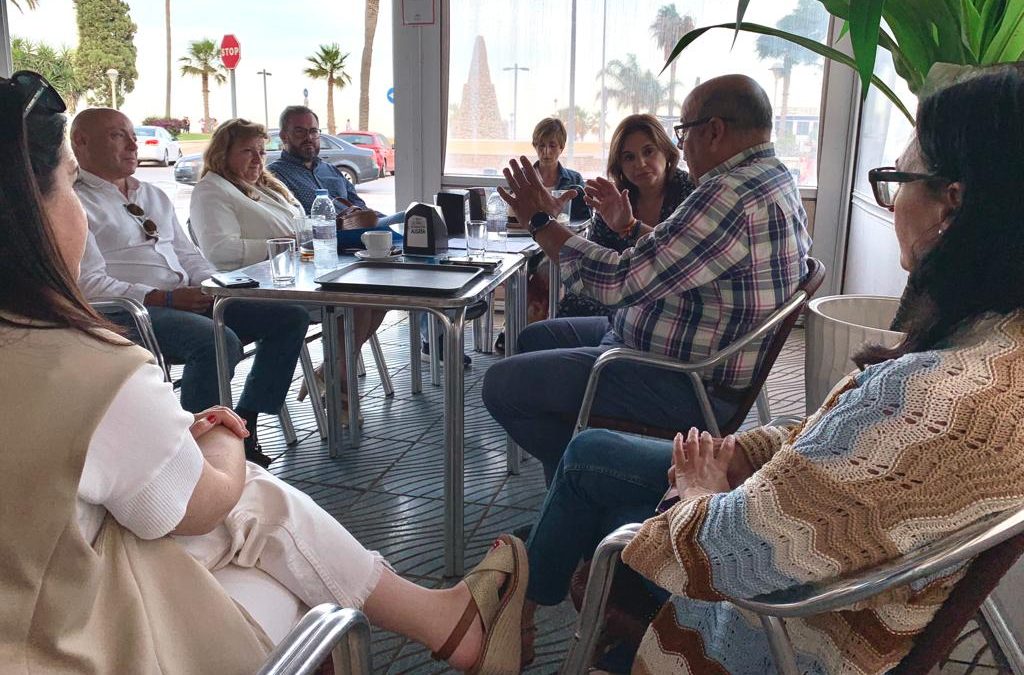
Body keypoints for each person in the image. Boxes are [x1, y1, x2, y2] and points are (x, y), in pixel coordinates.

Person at [1, 70, 528, 675]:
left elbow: (199, 256)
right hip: (68, 627)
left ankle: (441, 620)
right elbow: (191, 510)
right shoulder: (87, 371)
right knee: (254, 497)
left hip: (44, 583)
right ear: (26, 213)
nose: (80, 210)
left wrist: (207, 286)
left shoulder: (150, 201)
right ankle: (240, 427)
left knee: (277, 329)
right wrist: (222, 437)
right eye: (65, 184)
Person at [517, 65, 1024, 673]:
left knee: (578, 470)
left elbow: (729, 554)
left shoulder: (931, 398)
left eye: (896, 182)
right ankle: (515, 600)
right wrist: (741, 455)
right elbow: (837, 451)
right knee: (585, 468)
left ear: (953, 206)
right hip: (801, 547)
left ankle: (510, 607)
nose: (892, 205)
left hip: (766, 635)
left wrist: (700, 491)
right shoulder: (994, 358)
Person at [483, 74, 811, 482]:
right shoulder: (772, 176)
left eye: (683, 131)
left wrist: (538, 221)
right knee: (532, 339)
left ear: (713, 131)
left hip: (681, 379)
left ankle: (597, 473)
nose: (682, 145)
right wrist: (631, 228)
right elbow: (683, 258)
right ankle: (576, 487)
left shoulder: (727, 194)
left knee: (500, 385)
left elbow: (618, 282)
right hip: (666, 340)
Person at [71, 108, 311, 468]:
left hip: (183, 299)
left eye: (132, 135)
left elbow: (189, 256)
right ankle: (192, 453)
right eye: (117, 136)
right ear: (81, 142)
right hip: (129, 312)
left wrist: (213, 287)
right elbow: (89, 283)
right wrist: (165, 298)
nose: (134, 144)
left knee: (288, 317)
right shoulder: (75, 203)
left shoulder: (151, 194)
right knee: (214, 341)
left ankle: (244, 422)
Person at [557, 114, 696, 318]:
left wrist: (630, 227)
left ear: (666, 152)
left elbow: (681, 256)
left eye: (648, 151)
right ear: (619, 166)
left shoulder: (689, 192)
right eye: (629, 157)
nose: (640, 164)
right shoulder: (615, 200)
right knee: (542, 331)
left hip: (667, 310)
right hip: (613, 301)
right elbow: (592, 258)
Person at [189, 118, 303, 270]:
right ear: (222, 154)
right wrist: (281, 244)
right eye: (248, 151)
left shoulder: (269, 185)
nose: (258, 159)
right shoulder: (210, 190)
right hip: (255, 285)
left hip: (295, 270)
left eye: (262, 152)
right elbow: (219, 251)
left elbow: (299, 223)